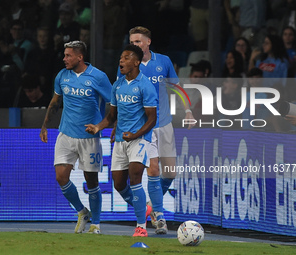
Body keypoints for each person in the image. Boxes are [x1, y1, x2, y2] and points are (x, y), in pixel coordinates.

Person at [117, 26, 195, 234]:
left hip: (165, 123)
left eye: (138, 42)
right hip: (144, 126)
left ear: (148, 42)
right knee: (154, 169)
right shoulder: (126, 64)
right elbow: (119, 95)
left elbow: (176, 87)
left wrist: (188, 110)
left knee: (170, 172)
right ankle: (159, 216)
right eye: (132, 42)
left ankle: (151, 205)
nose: (134, 45)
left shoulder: (164, 61)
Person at [40, 41, 112, 234]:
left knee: (92, 181)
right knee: (61, 177)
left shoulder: (98, 77)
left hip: (89, 137)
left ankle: (96, 224)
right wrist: (45, 125)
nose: (64, 59)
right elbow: (55, 102)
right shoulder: (62, 76)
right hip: (65, 133)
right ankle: (82, 211)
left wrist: (103, 126)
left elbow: (113, 104)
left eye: (68, 55)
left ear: (80, 57)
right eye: (64, 55)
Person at [85, 44, 158, 237]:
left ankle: (141, 226)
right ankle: (145, 208)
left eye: (126, 58)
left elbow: (152, 118)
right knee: (119, 184)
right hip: (120, 140)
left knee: (135, 178)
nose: (121, 61)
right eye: (120, 58)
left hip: (140, 139)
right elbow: (111, 116)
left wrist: (135, 135)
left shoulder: (145, 85)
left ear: (136, 62)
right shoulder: (117, 85)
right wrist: (99, 127)